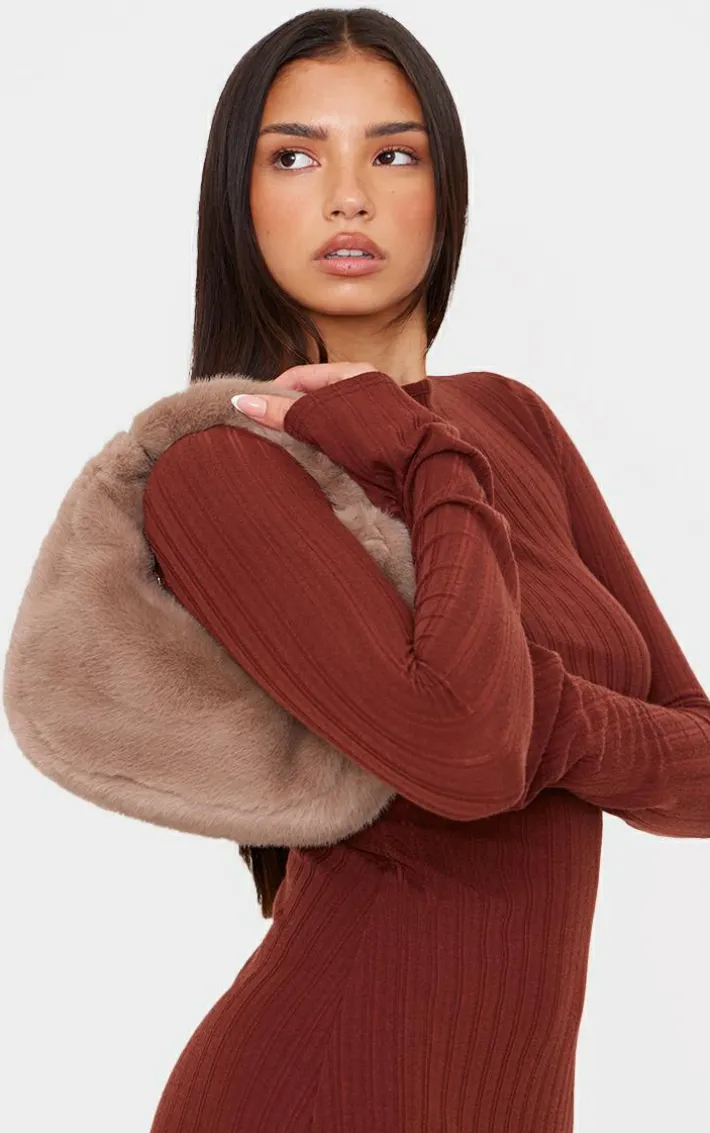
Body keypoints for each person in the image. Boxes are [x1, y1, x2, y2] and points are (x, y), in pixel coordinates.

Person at [139, 8, 710, 1132]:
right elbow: (468, 750)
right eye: (295, 157)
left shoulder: (511, 422)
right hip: (311, 1095)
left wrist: (534, 711)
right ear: (236, 201)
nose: (347, 196)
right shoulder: (221, 471)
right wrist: (418, 452)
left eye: (393, 154)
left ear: (445, 194)